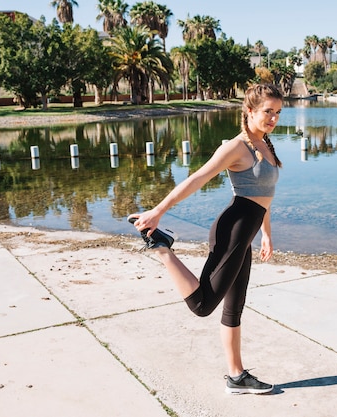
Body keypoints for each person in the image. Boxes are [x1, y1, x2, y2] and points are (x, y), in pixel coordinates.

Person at [128, 83, 284, 395]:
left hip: (247, 233)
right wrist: (159, 210)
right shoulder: (236, 147)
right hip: (233, 231)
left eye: (278, 113)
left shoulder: (264, 142)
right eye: (268, 112)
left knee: (234, 308)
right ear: (250, 111)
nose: (273, 119)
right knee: (202, 305)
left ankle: (236, 376)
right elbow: (197, 178)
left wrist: (266, 233)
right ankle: (162, 249)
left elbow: (265, 196)